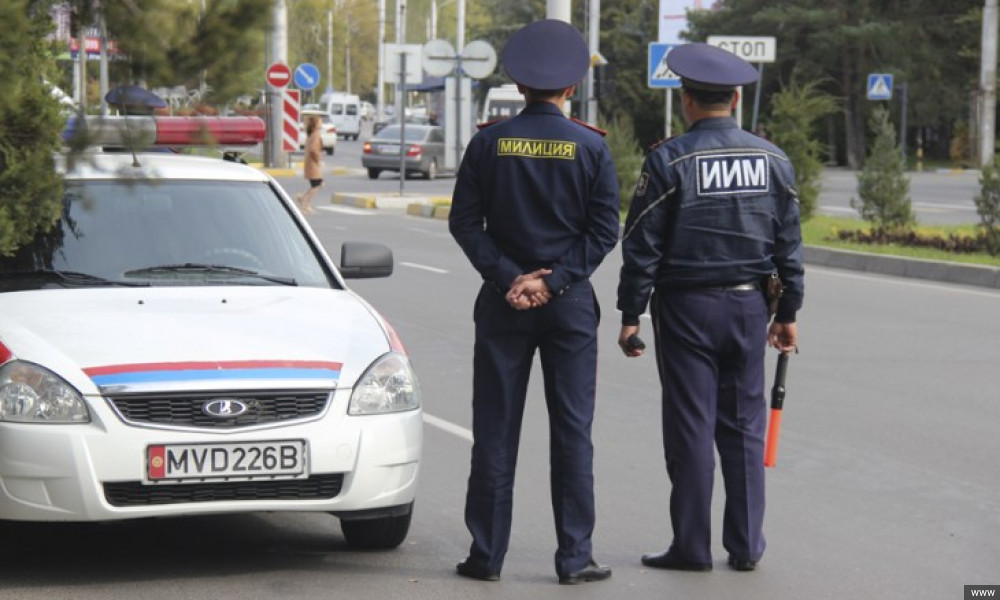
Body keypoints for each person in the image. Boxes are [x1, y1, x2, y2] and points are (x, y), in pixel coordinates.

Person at [616, 42, 804, 573]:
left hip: (685, 311)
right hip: (751, 309)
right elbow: (789, 245)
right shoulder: (773, 160)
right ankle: (745, 547)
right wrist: (787, 313)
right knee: (744, 429)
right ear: (737, 98)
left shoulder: (669, 159)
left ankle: (691, 548)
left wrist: (631, 316)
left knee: (691, 428)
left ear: (687, 100)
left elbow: (641, 246)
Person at [448, 19, 620, 586]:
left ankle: (486, 556)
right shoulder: (592, 147)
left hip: (503, 306)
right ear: (571, 88)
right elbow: (603, 231)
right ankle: (574, 558)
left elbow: (465, 224)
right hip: (569, 306)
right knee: (573, 431)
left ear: (518, 86)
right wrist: (555, 281)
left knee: (495, 429)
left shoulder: (488, 143)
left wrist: (508, 278)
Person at [296, 114, 323, 215]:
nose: (321, 123)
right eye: (320, 121)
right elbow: (313, 150)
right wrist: (318, 159)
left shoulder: (311, 134)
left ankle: (305, 201)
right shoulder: (316, 134)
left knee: (317, 184)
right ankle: (304, 202)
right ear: (315, 124)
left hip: (310, 163)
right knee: (317, 185)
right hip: (313, 164)